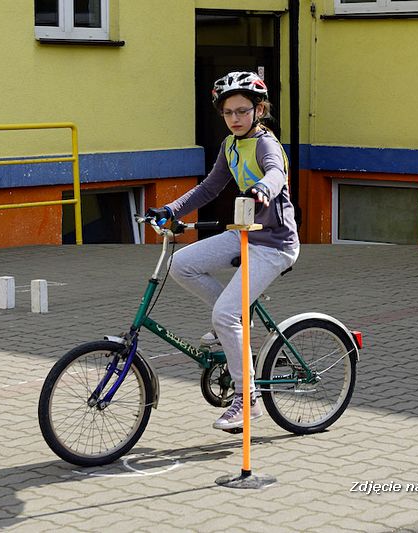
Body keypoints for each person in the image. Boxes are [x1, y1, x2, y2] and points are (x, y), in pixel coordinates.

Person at [145, 71, 300, 430]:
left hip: (275, 244)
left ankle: (248, 400)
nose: (235, 118)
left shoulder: (265, 144)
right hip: (245, 233)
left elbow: (276, 172)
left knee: (226, 316)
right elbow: (208, 189)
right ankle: (233, 319)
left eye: (242, 111)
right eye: (228, 112)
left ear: (259, 110)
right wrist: (171, 210)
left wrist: (264, 188)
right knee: (181, 263)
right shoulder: (230, 145)